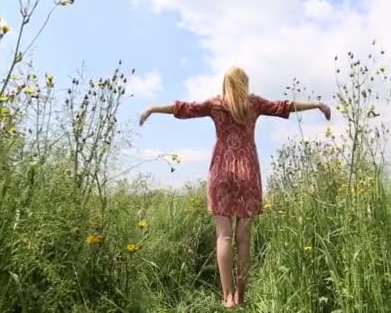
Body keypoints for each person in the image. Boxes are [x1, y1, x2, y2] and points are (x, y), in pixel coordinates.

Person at [139, 66, 331, 308]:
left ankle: (227, 297)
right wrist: (317, 104)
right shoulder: (254, 104)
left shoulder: (216, 104)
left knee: (224, 236)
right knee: (243, 239)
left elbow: (183, 108)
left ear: (225, 83)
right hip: (248, 173)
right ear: (245, 84)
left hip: (221, 172)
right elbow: (285, 106)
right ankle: (242, 295)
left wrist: (152, 109)